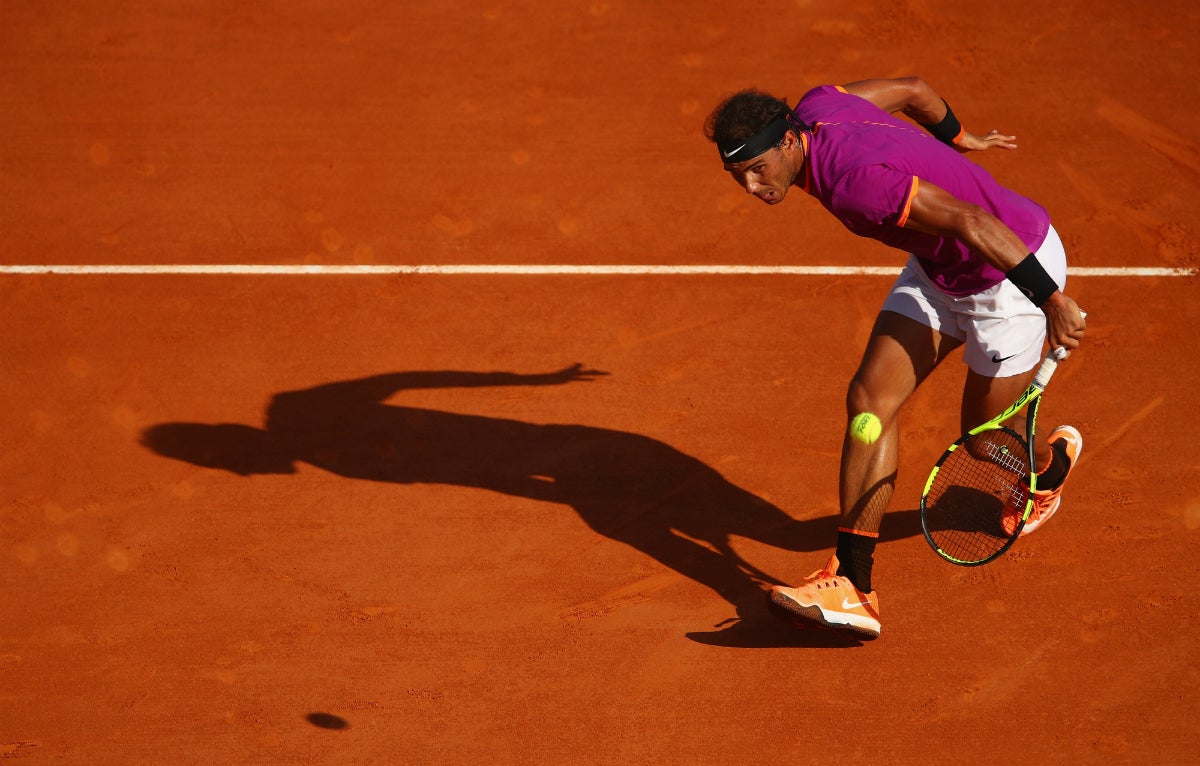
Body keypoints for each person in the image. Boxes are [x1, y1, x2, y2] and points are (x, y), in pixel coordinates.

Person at [704, 77, 1088, 639]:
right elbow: (912, 89)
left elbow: (973, 222)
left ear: (789, 143)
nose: (750, 186)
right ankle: (854, 584)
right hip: (939, 271)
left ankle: (1047, 471)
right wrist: (958, 140)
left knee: (982, 442)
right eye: (738, 176)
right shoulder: (817, 106)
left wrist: (1050, 299)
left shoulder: (855, 183)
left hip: (1009, 274)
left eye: (757, 168)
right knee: (869, 400)